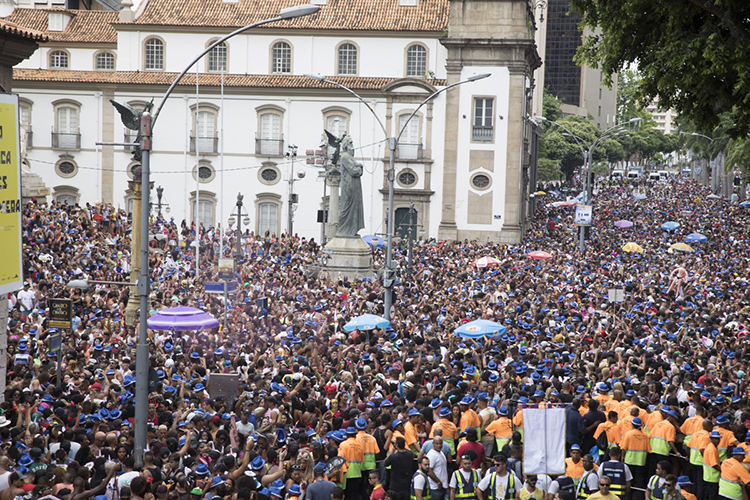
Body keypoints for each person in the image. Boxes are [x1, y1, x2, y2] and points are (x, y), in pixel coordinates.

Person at [620, 418, 650, 500]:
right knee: (639, 481)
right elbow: (648, 450)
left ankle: (628, 497)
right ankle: (640, 498)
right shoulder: (645, 435)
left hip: (629, 460)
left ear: (632, 425)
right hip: (641, 461)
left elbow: (623, 447)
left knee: (629, 480)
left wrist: (622, 457)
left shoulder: (628, 433)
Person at [703, 431, 721, 500]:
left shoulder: (711, 446)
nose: (717, 440)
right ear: (711, 439)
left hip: (709, 476)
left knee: (708, 494)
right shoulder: (712, 449)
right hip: (712, 477)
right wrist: (723, 471)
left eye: (718, 439)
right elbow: (714, 465)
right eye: (715, 439)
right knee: (712, 496)